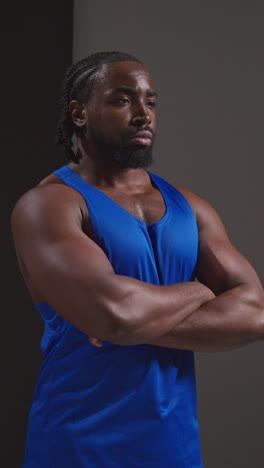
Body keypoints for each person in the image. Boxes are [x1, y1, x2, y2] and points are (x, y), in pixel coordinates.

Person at [11, 51, 263, 468]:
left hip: (175, 445)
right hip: (77, 444)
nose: (143, 114)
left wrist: (127, 323)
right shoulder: (48, 206)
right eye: (123, 100)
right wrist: (201, 291)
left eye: (151, 101)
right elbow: (117, 316)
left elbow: (254, 314)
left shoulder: (191, 206)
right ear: (79, 113)